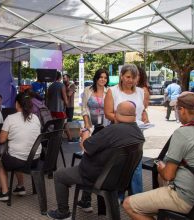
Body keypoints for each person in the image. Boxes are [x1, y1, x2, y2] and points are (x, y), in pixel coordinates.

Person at [47, 101, 145, 219]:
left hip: (98, 177)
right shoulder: (139, 133)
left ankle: (63, 213)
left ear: (116, 114)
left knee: (59, 175)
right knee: (92, 163)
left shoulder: (112, 130)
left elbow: (87, 147)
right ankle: (85, 202)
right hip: (119, 179)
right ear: (134, 115)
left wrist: (85, 134)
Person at [124, 92, 194, 219]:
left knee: (129, 204)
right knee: (161, 182)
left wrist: (160, 166)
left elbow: (168, 175)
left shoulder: (183, 133)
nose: (175, 111)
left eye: (176, 109)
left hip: (187, 197)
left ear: (182, 110)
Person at [104, 64, 147, 196]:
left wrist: (145, 119)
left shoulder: (141, 91)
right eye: (128, 76)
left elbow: (142, 110)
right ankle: (118, 196)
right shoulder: (113, 91)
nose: (130, 80)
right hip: (119, 134)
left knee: (136, 167)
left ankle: (137, 198)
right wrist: (124, 121)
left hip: (137, 134)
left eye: (133, 78)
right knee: (119, 166)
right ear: (121, 76)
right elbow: (108, 113)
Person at [0, 92, 41, 201]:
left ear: (16, 104)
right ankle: (20, 186)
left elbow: (1, 139)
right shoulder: (35, 118)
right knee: (16, 152)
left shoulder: (10, 118)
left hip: (19, 160)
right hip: (35, 160)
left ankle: (5, 192)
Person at [77, 68, 109, 212]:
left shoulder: (110, 92)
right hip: (90, 129)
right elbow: (84, 109)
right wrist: (87, 127)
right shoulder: (88, 90)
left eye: (105, 77)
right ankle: (86, 200)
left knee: (99, 164)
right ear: (96, 78)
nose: (103, 79)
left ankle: (87, 200)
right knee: (89, 160)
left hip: (105, 131)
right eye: (101, 77)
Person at [63, 74, 77, 142]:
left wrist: (64, 90)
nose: (63, 79)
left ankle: (69, 137)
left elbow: (69, 94)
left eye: (65, 78)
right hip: (64, 106)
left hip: (69, 106)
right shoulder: (63, 85)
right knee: (65, 123)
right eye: (63, 78)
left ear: (68, 78)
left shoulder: (72, 85)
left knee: (66, 122)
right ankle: (70, 138)